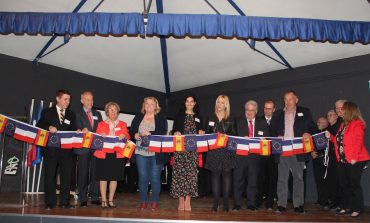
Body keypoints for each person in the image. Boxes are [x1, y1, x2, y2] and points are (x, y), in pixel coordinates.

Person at [271, 90, 318, 213]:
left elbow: (313, 128)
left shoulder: (305, 112)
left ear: (296, 100)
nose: (288, 102)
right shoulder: (277, 114)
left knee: (298, 178)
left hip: (298, 149)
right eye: (285, 99)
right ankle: (281, 204)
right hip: (282, 150)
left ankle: (298, 205)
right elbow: (271, 131)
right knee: (282, 178)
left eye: (290, 99)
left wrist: (308, 133)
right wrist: (277, 135)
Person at [325, 101, 370, 218]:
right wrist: (331, 137)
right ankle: (347, 206)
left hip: (356, 159)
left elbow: (358, 142)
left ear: (349, 110)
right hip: (343, 159)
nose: (341, 111)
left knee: (353, 184)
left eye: (343, 109)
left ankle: (358, 208)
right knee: (344, 184)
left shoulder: (357, 123)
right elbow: (339, 141)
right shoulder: (343, 124)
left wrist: (354, 157)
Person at [36, 89, 77, 210]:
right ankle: (50, 202)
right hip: (51, 150)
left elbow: (74, 129)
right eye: (65, 99)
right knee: (50, 176)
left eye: (69, 100)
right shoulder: (47, 112)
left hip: (67, 150)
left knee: (66, 177)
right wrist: (48, 127)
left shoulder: (71, 114)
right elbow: (39, 125)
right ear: (57, 99)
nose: (68, 102)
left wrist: (78, 131)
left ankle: (64, 202)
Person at [129, 97, 168, 211]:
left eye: (152, 104)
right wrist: (135, 134)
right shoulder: (138, 117)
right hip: (140, 152)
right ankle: (143, 201)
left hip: (156, 152)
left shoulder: (161, 118)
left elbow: (162, 132)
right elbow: (132, 131)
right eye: (147, 103)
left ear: (156, 106)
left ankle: (155, 200)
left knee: (155, 178)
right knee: (143, 178)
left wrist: (150, 133)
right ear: (144, 105)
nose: (149, 106)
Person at [233, 100, 270, 211]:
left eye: (252, 110)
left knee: (253, 181)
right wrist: (240, 139)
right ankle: (237, 204)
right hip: (240, 156)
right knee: (238, 180)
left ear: (256, 111)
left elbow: (267, 140)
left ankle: (251, 203)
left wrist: (263, 140)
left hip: (255, 157)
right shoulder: (238, 121)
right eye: (247, 110)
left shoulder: (262, 123)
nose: (249, 112)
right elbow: (232, 137)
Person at [170, 94, 205, 211]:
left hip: (192, 151)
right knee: (179, 174)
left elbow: (202, 131)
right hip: (180, 150)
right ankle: (180, 200)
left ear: (195, 103)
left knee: (191, 175)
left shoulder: (199, 117)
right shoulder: (179, 116)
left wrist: (201, 132)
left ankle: (188, 200)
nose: (189, 103)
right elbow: (173, 130)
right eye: (187, 101)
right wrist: (175, 132)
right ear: (185, 103)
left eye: (192, 101)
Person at [94, 102, 130, 208]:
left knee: (114, 178)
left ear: (118, 112)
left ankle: (110, 200)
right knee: (103, 178)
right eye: (110, 109)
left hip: (117, 154)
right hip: (104, 154)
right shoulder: (101, 124)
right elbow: (97, 138)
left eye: (115, 109)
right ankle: (104, 201)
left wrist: (124, 135)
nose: (113, 111)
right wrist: (101, 136)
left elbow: (127, 136)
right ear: (107, 112)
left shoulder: (122, 124)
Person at [205, 95, 236, 212]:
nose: (219, 105)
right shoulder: (210, 116)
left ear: (226, 104)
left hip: (227, 150)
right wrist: (203, 132)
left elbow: (234, 134)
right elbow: (207, 133)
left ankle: (226, 203)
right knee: (215, 177)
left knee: (227, 176)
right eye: (218, 102)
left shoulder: (231, 117)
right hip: (213, 151)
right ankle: (216, 202)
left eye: (222, 103)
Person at [74, 91, 102, 207]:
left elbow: (100, 128)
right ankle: (83, 197)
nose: (90, 102)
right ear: (82, 101)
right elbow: (75, 127)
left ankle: (95, 196)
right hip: (83, 148)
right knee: (83, 173)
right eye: (87, 99)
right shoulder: (76, 113)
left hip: (95, 147)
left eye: (91, 99)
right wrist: (80, 130)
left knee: (95, 173)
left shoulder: (98, 114)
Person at [257, 99, 278, 210]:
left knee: (272, 178)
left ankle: (270, 203)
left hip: (274, 154)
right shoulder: (258, 120)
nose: (266, 110)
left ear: (274, 109)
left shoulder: (278, 120)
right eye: (265, 108)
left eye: (269, 108)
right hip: (260, 154)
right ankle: (258, 201)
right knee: (259, 178)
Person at [325, 109, 341, 209]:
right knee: (331, 180)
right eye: (328, 115)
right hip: (330, 157)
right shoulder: (329, 128)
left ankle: (338, 202)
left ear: (336, 116)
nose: (329, 117)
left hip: (338, 157)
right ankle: (333, 201)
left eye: (331, 114)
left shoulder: (340, 126)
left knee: (338, 180)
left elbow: (338, 140)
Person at [311, 117, 329, 207]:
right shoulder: (315, 133)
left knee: (325, 180)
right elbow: (311, 145)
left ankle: (326, 200)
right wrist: (311, 152)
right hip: (316, 160)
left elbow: (328, 147)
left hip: (325, 160)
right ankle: (320, 199)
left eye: (321, 122)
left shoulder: (328, 132)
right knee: (318, 180)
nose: (318, 123)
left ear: (326, 123)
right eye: (318, 122)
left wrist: (318, 154)